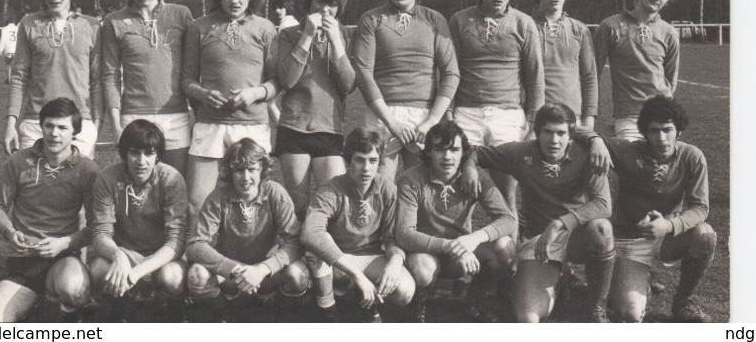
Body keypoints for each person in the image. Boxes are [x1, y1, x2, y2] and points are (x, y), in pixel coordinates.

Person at [461, 103, 615, 323]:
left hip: (576, 236)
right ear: (538, 132)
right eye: (548, 132)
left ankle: (597, 306)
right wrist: (469, 165)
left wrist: (560, 224)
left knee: (601, 229)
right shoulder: (521, 153)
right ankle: (559, 283)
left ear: (571, 135)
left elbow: (603, 205)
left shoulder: (586, 154)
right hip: (539, 241)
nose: (554, 140)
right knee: (528, 319)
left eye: (561, 133)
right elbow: (474, 151)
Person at [581, 95, 717, 323]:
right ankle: (637, 280)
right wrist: (595, 140)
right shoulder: (628, 150)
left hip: (668, 238)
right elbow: (578, 129)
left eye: (667, 130)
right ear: (644, 132)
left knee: (705, 235)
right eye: (654, 130)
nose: (661, 138)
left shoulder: (692, 157)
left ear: (679, 131)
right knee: (628, 314)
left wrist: (668, 225)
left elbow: (701, 208)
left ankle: (683, 302)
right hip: (630, 239)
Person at [0, 97, 98, 323]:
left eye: (63, 127)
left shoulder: (87, 170)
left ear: (75, 132)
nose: (54, 133)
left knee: (73, 289)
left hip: (63, 257)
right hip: (24, 262)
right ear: (41, 127)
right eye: (49, 126)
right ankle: (39, 301)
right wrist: (9, 232)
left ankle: (62, 306)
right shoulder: (18, 161)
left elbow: (96, 226)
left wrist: (64, 243)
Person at [180, 0, 279, 224]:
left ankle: (251, 256)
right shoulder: (199, 27)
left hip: (252, 126)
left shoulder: (265, 29)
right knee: (197, 203)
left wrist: (255, 93)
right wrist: (202, 94)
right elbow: (186, 79)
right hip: (210, 125)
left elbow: (276, 81)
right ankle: (198, 258)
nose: (235, 0)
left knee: (253, 200)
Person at [351, 0, 459, 181]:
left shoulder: (434, 20)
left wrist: (431, 121)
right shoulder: (371, 20)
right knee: (378, 190)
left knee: (422, 191)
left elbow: (451, 73)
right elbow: (363, 74)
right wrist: (391, 122)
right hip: (383, 114)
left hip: (423, 118)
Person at [395, 120, 515, 323]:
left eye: (454, 149)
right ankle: (419, 302)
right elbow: (404, 234)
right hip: (426, 252)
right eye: (440, 150)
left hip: (461, 252)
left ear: (463, 152)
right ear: (429, 152)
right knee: (423, 270)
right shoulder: (411, 179)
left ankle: (474, 299)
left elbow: (508, 219)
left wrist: (475, 239)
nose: (448, 157)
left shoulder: (475, 177)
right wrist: (451, 247)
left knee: (505, 248)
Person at [449, 0, 544, 208]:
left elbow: (535, 77)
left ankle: (510, 245)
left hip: (507, 114)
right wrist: (448, 113)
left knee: (507, 194)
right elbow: (449, 72)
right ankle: (461, 245)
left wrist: (533, 123)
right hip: (466, 113)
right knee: (462, 190)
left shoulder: (524, 23)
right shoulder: (460, 20)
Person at [301, 125, 416, 322]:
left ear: (379, 162)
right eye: (359, 160)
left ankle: (365, 302)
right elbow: (310, 233)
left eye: (373, 161)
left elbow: (391, 237)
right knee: (315, 250)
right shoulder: (332, 189)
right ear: (348, 161)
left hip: (370, 256)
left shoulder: (387, 189)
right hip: (337, 259)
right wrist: (357, 275)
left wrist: (396, 261)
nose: (366, 168)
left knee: (405, 290)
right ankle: (327, 310)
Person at [185, 137, 308, 319]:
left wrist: (263, 269)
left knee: (297, 274)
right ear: (229, 171)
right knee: (197, 274)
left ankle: (279, 315)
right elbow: (195, 245)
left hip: (266, 274)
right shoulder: (218, 196)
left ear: (262, 169)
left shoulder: (275, 192)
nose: (246, 177)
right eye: (239, 170)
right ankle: (227, 314)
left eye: (252, 169)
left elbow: (295, 242)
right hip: (231, 276)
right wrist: (235, 270)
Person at [102, 0, 194, 177]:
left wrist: (196, 114)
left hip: (176, 116)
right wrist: (115, 125)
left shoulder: (181, 14)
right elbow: (110, 75)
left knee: (175, 187)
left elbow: (193, 70)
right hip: (134, 116)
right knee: (137, 190)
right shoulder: (113, 21)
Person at [273, 0, 356, 218]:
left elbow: (349, 85)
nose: (325, 10)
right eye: (320, 1)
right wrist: (307, 36)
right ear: (310, 0)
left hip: (329, 129)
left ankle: (323, 255)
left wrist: (336, 43)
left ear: (340, 7)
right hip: (294, 128)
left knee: (333, 203)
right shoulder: (289, 34)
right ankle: (296, 255)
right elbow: (287, 80)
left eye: (332, 4)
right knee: (297, 204)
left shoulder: (347, 35)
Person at [89, 118, 188, 321]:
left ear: (158, 156)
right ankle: (120, 305)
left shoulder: (171, 179)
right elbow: (100, 232)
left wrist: (137, 272)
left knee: (173, 278)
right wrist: (118, 255)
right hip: (126, 253)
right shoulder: (108, 178)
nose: (141, 161)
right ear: (125, 153)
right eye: (135, 152)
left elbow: (176, 239)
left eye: (149, 153)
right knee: (99, 269)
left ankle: (170, 311)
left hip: (161, 257)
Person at [5, 0, 102, 158]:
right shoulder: (28, 24)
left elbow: (98, 80)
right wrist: (10, 124)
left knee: (78, 188)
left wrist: (96, 126)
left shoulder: (91, 26)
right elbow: (19, 78)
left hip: (79, 124)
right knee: (33, 186)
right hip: (36, 124)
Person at [593, 0, 680, 140]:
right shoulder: (610, 26)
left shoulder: (669, 33)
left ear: (668, 1)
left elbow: (670, 81)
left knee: (663, 166)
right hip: (628, 118)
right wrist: (597, 119)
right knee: (632, 165)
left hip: (662, 117)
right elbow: (592, 75)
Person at [531, 0, 597, 130]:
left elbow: (589, 77)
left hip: (572, 117)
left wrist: (588, 120)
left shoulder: (580, 29)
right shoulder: (526, 27)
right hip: (536, 118)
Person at [0, 16, 19, 84]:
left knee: (8, 64)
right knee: (17, 65)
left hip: (8, 48)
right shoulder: (17, 28)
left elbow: (2, 39)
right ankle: (17, 79)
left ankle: (8, 78)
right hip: (16, 48)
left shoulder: (4, 29)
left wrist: (0, 50)